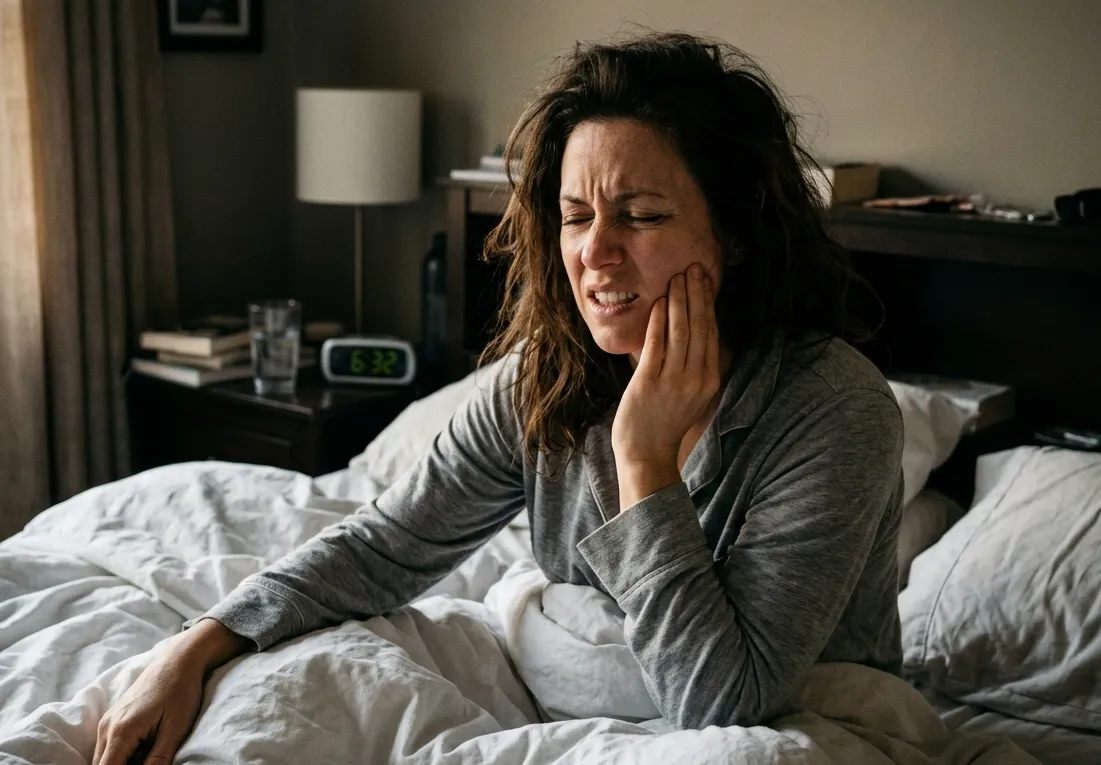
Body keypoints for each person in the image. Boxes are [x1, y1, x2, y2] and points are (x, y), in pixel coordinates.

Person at [94, 32, 903, 764]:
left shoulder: (834, 410)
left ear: (736, 233)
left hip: (792, 722)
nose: (595, 252)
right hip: (573, 691)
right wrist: (196, 646)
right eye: (575, 217)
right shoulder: (547, 375)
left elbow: (719, 701)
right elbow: (385, 544)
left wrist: (642, 460)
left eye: (641, 215)